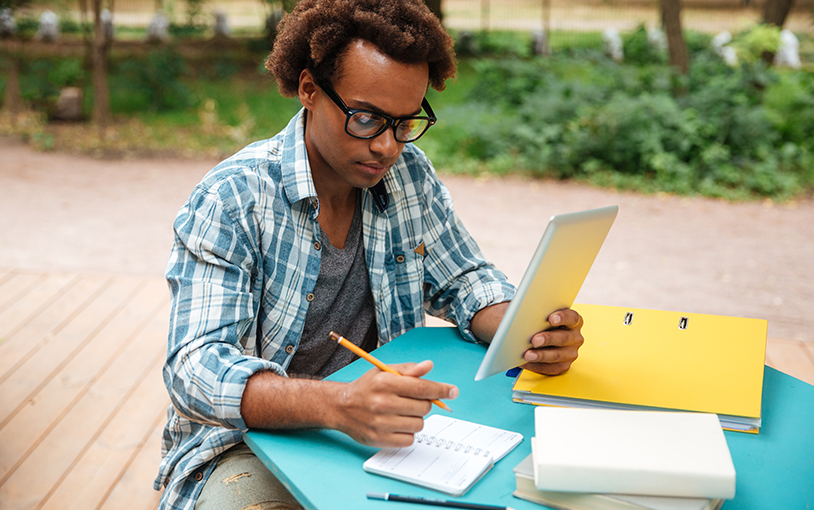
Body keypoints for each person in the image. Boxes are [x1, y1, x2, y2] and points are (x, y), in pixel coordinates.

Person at [153, 1, 584, 509]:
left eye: (405, 123)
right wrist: (338, 405)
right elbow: (195, 369)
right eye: (366, 119)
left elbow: (464, 277)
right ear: (309, 88)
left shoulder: (409, 175)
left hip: (388, 428)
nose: (387, 147)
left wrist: (527, 328)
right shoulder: (231, 200)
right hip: (248, 443)